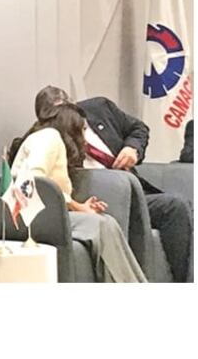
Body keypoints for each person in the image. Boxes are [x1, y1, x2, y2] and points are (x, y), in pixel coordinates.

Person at [35, 86, 192, 282]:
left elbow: (139, 128)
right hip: (94, 201)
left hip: (134, 193)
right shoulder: (49, 138)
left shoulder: (100, 108)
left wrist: (132, 148)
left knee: (178, 206)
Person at [9, 102, 145, 282]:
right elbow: (34, 182)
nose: (84, 137)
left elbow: (50, 192)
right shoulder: (49, 137)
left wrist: (79, 207)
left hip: (45, 215)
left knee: (106, 221)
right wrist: (78, 207)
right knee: (102, 225)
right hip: (31, 217)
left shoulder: (48, 138)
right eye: (82, 130)